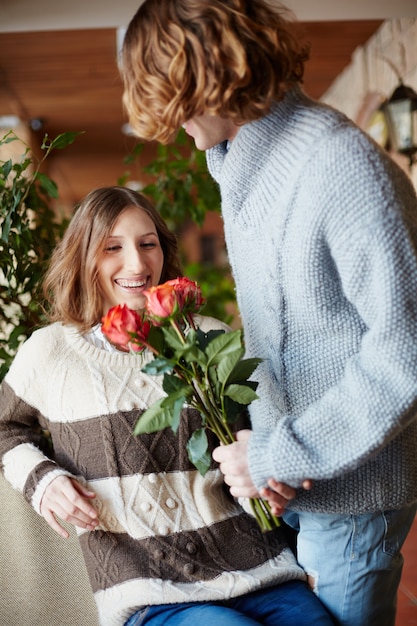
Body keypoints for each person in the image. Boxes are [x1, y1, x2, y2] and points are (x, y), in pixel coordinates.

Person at [119, 2, 417, 625]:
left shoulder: (338, 164)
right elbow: (290, 339)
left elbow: (405, 351)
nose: (173, 129)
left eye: (174, 105)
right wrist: (273, 459)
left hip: (353, 493)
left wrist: (282, 453)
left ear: (206, 80)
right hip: (299, 484)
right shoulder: (245, 163)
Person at [0, 186, 334, 626]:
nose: (137, 264)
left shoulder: (208, 338)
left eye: (148, 243)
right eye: (112, 247)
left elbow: (263, 425)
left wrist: (262, 452)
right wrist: (42, 481)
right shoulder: (48, 353)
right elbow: (6, 428)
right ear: (84, 256)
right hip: (150, 594)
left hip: (262, 571)